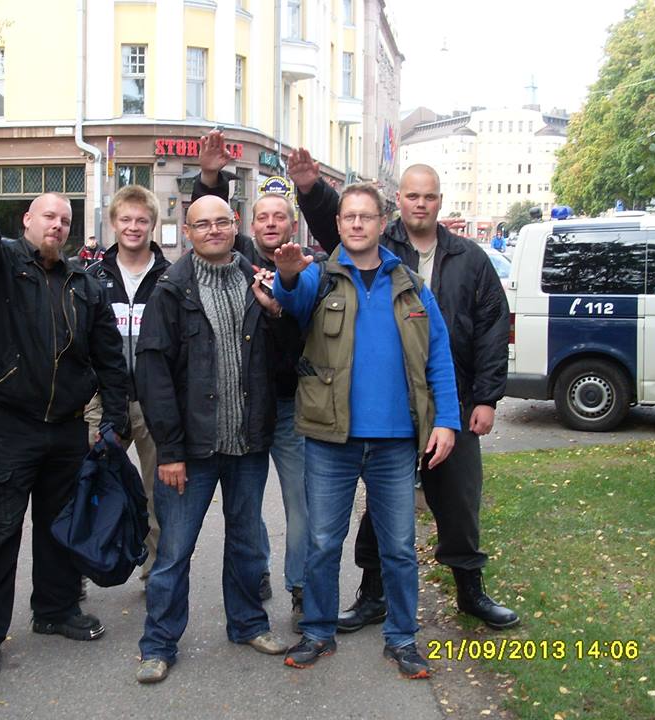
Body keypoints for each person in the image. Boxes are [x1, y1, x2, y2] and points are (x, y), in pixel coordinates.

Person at [287, 152, 518, 632]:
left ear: (439, 202)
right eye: (412, 195)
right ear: (398, 202)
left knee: (458, 501)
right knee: (378, 519)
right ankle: (372, 596)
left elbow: (492, 328)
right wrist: (308, 190)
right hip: (377, 414)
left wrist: (485, 398)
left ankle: (468, 590)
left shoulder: (467, 259)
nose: (420, 203)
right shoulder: (374, 247)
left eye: (429, 196)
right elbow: (339, 223)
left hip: (449, 399)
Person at [0, 155, 129, 680]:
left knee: (60, 525)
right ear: (27, 220)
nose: (58, 225)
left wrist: (114, 420)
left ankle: (56, 609)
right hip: (11, 425)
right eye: (49, 216)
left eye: (66, 220)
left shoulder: (84, 283)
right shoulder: (0, 264)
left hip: (67, 427)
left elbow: (109, 358)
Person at [272, 183, 460, 678]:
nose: (357, 223)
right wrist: (286, 274)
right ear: (338, 225)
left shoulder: (411, 286)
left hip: (395, 442)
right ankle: (317, 631)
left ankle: (402, 638)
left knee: (398, 547)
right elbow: (292, 298)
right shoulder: (320, 277)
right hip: (329, 440)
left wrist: (446, 421)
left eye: (366, 216)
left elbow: (438, 357)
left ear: (382, 223)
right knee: (322, 542)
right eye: (349, 216)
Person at [133, 195, 289, 683]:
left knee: (246, 544)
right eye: (203, 224)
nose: (214, 230)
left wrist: (277, 313)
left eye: (222, 222)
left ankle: (248, 624)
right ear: (188, 231)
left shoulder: (257, 279)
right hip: (191, 450)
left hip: (247, 444)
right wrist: (169, 451)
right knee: (174, 551)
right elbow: (153, 374)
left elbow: (284, 358)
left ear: (235, 224)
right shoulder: (171, 289)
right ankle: (158, 644)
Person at [192, 129, 314, 630]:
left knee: (300, 503)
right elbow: (209, 221)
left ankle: (301, 584)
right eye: (262, 217)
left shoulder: (308, 266)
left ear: (291, 223)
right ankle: (257, 567)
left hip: (289, 407)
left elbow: (305, 331)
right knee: (246, 502)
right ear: (250, 224)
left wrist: (286, 293)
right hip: (242, 405)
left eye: (279, 216)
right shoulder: (239, 256)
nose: (270, 224)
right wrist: (210, 175)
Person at [84, 185, 170, 580]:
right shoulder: (92, 277)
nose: (133, 227)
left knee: (158, 496)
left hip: (155, 402)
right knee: (90, 486)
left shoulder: (169, 277)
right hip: (104, 400)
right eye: (126, 219)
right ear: (113, 224)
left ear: (153, 225)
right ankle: (79, 572)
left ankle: (157, 574)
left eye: (141, 220)